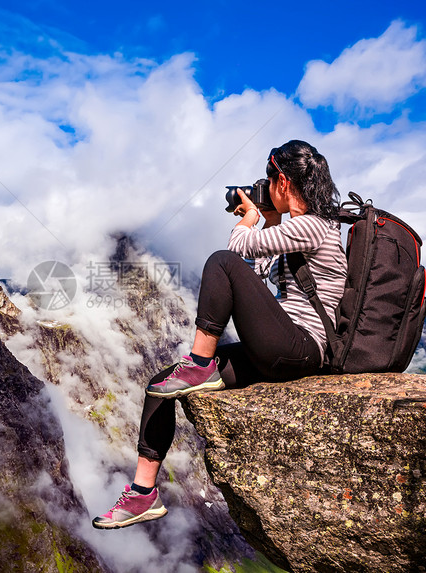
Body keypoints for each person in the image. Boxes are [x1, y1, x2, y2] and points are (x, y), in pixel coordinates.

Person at [92, 140, 347, 529]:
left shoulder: (315, 225)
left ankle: (200, 362)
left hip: (303, 348)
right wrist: (270, 220)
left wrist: (249, 220)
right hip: (282, 345)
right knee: (162, 383)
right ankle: (143, 494)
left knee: (220, 261)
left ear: (281, 180)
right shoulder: (299, 229)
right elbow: (257, 278)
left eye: (267, 180)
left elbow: (237, 250)